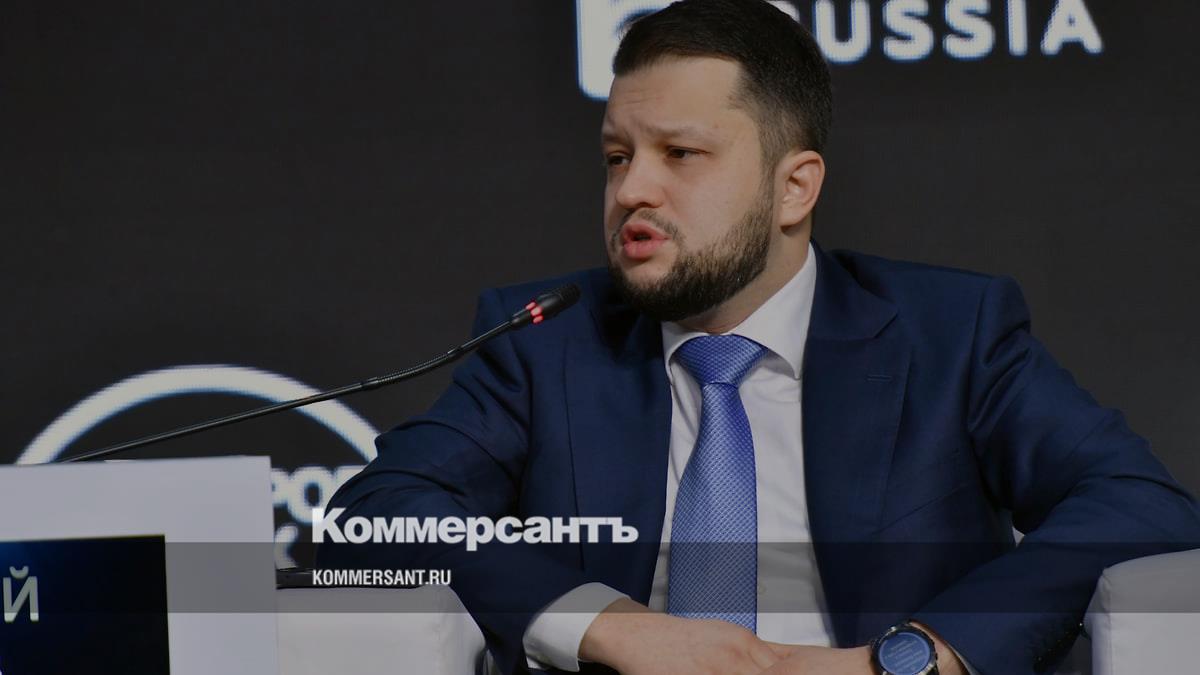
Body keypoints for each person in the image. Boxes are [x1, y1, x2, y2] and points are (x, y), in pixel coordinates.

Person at [317, 1, 1200, 673]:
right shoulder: (548, 342)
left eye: (681, 154)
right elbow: (374, 514)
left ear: (794, 187)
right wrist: (612, 627)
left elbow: (1138, 504)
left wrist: (912, 655)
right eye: (618, 157)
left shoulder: (947, 334)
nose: (632, 191)